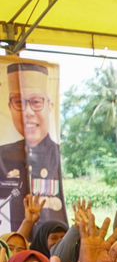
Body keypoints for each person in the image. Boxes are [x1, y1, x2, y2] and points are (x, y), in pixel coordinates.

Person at [1, 61, 64, 234]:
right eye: (19, 103)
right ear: (9, 107)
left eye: (36, 102)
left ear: (50, 106)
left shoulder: (59, 157)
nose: (28, 112)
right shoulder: (1, 156)